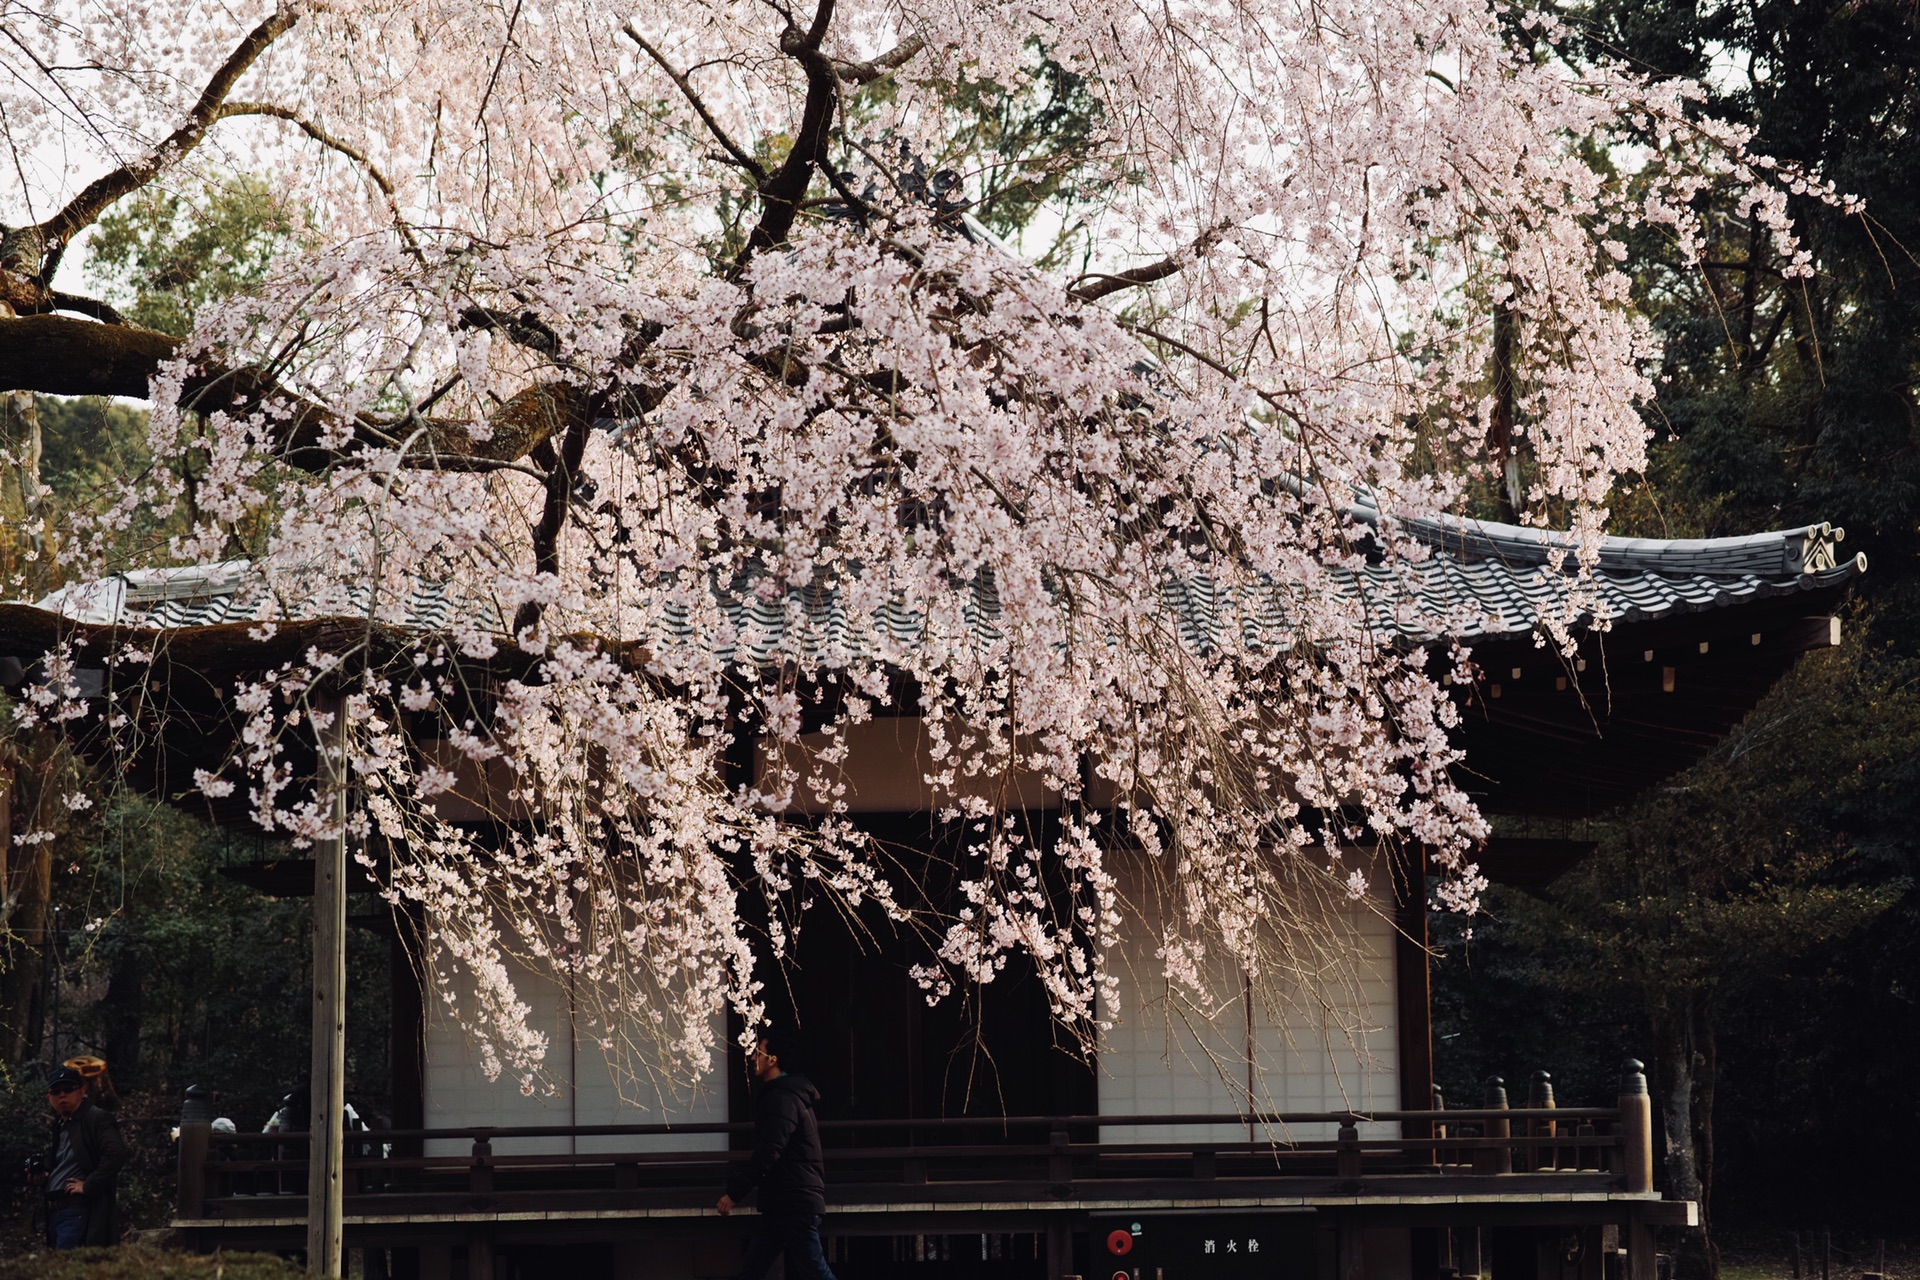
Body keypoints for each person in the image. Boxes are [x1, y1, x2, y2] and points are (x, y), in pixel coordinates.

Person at [716, 1029, 839, 1280]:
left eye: (758, 1052)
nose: (753, 1058)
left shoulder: (782, 1098)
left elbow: (769, 1152)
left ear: (772, 1059)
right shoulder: (786, 1095)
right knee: (753, 1269)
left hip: (794, 1200)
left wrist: (734, 1193)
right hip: (783, 1200)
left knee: (813, 1270)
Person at [41, 1064, 127, 1249]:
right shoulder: (61, 1124)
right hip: (55, 1212)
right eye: (56, 1091)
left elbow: (116, 1153)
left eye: (68, 1089)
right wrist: (45, 1174)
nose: (62, 1095)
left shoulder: (96, 1118)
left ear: (82, 1091)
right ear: (49, 1097)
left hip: (77, 1209)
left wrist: (88, 1185)